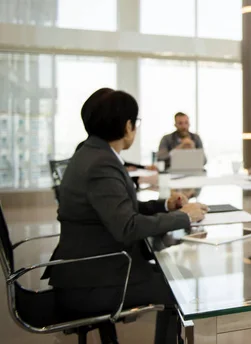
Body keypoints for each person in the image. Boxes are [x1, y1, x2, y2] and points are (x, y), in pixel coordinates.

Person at [46, 90, 208, 344]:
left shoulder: (92, 153)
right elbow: (128, 226)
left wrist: (165, 204)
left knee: (176, 273)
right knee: (182, 283)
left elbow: (119, 208)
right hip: (93, 280)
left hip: (92, 267)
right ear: (127, 125)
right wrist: (185, 217)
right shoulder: (101, 163)